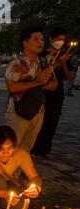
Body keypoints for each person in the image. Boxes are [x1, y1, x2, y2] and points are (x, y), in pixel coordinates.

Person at [4, 26, 58, 152]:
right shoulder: (17, 63)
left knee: (26, 148)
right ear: (25, 43)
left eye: (42, 39)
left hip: (38, 111)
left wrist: (41, 83)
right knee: (11, 147)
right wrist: (37, 82)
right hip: (18, 111)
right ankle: (6, 172)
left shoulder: (44, 63)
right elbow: (11, 87)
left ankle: (17, 171)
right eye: (36, 39)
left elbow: (54, 85)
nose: (40, 42)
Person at [32, 28, 73, 158]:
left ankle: (45, 149)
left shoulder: (63, 55)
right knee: (40, 122)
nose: (60, 42)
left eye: (63, 40)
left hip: (57, 94)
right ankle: (34, 148)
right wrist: (57, 63)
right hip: (44, 92)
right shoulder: (42, 55)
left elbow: (67, 77)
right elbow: (43, 72)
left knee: (52, 122)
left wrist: (64, 63)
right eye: (58, 39)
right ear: (50, 39)